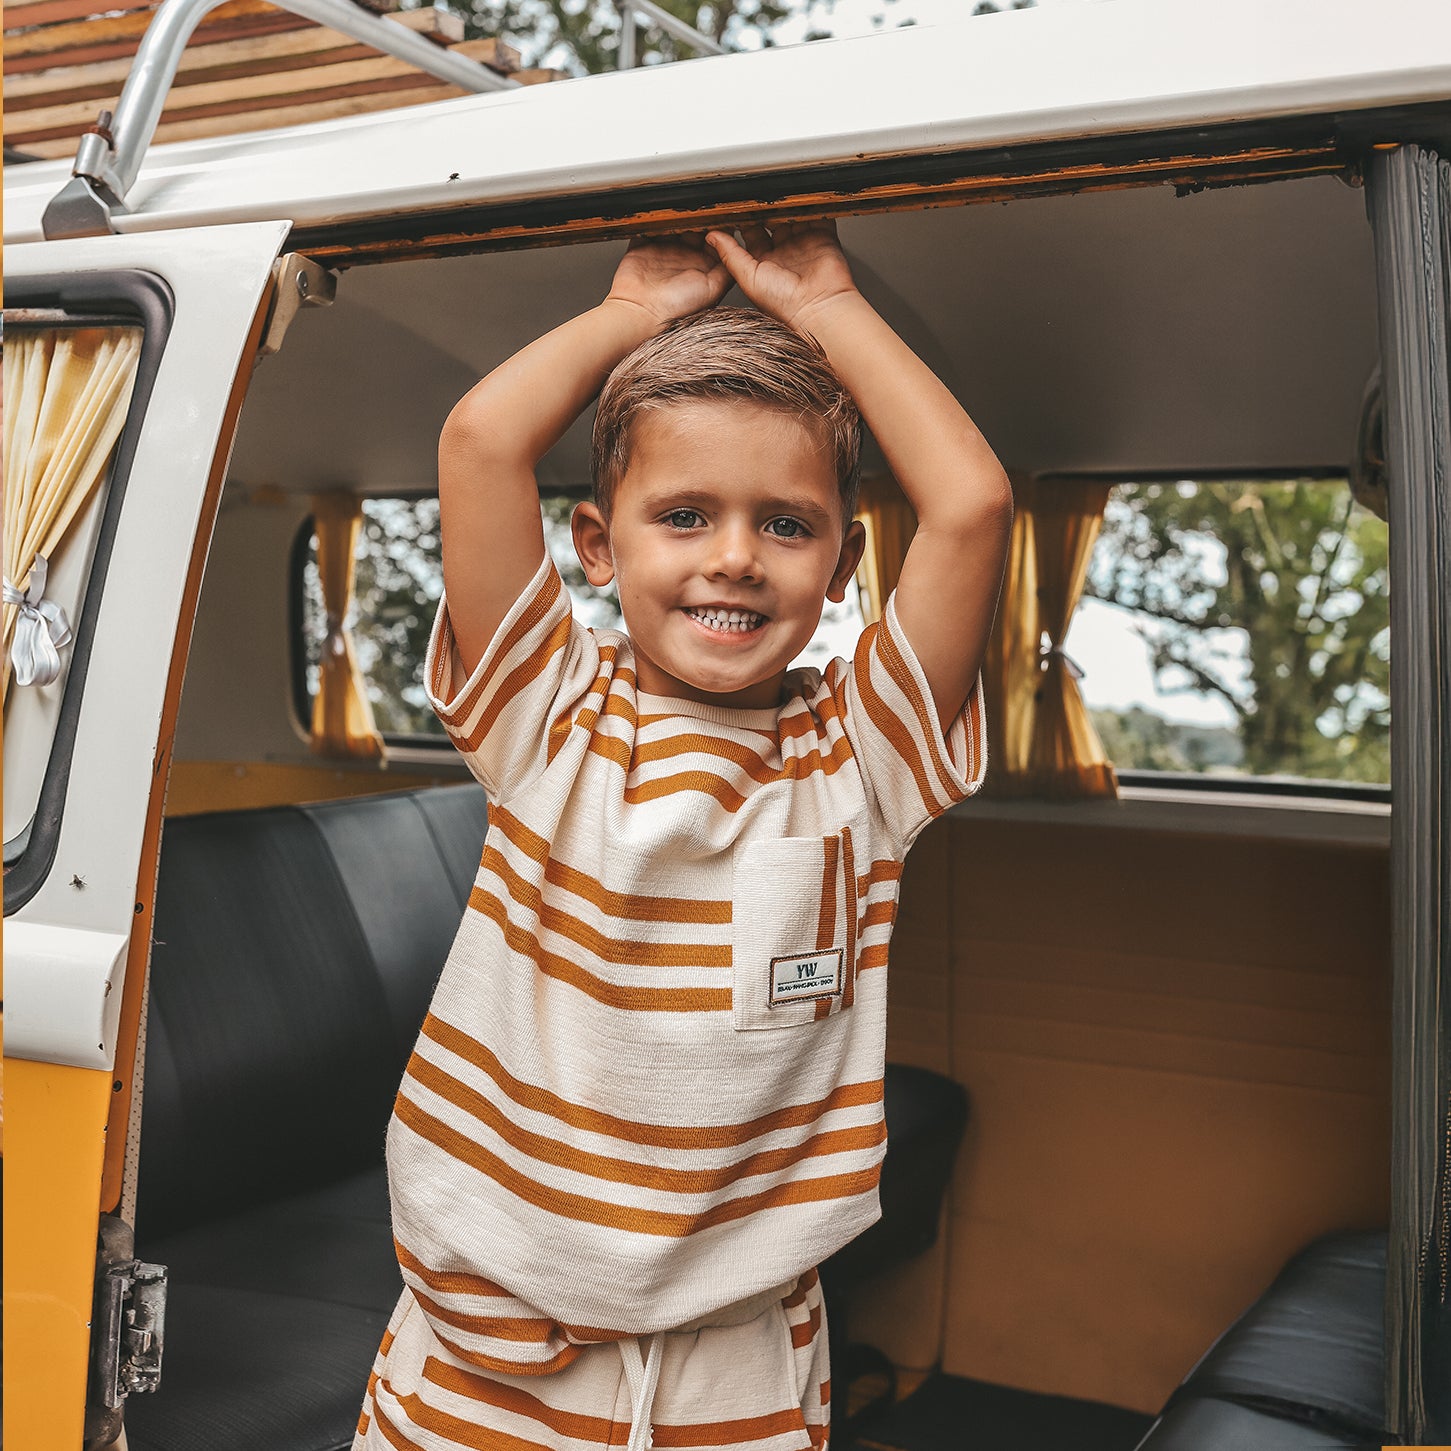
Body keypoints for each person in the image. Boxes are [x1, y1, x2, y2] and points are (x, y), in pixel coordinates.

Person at [355, 220, 1012, 1451]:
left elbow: (969, 501)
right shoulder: (548, 713)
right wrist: (627, 314)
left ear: (842, 562)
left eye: (785, 523)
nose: (733, 557)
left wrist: (825, 305)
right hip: (488, 1346)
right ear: (598, 547)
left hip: (739, 1362)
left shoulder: (861, 757)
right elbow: (482, 439)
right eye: (684, 515)